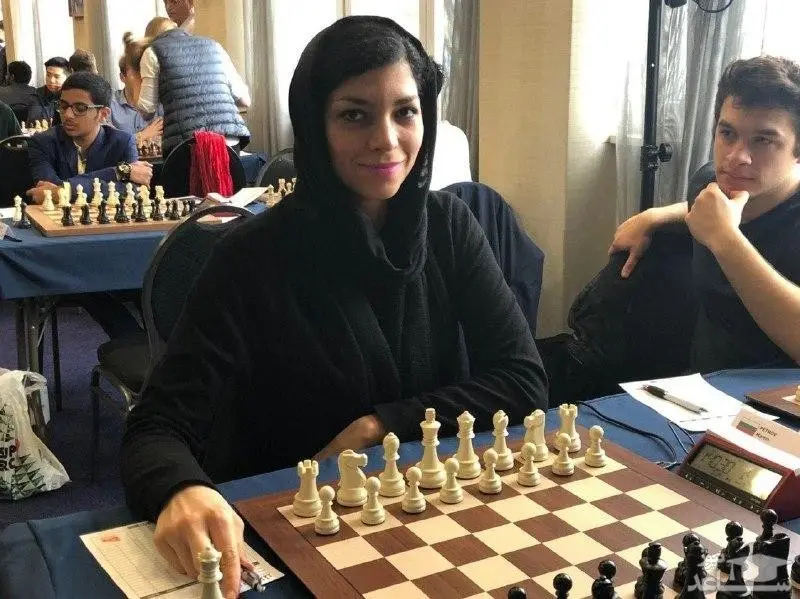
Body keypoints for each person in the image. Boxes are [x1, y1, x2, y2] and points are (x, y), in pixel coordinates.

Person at [121, 16, 547, 599]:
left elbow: (522, 379)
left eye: (405, 112)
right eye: (354, 115)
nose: (386, 139)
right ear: (314, 123)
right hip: (300, 537)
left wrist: (380, 425)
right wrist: (180, 490)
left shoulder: (450, 227)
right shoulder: (252, 256)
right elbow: (156, 427)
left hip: (437, 518)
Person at [610, 55, 800, 372]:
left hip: (775, 399)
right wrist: (653, 216)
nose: (737, 157)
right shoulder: (708, 185)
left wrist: (725, 239)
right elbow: (701, 210)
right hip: (697, 389)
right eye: (727, 133)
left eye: (763, 140)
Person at [27, 71, 152, 204]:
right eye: (63, 106)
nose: (68, 115)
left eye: (80, 108)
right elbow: (46, 192)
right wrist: (118, 172)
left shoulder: (122, 142)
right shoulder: (42, 142)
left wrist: (65, 191)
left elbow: (132, 190)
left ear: (103, 114)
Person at [136, 22, 250, 156]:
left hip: (187, 145)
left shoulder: (152, 51)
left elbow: (147, 109)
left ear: (150, 38)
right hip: (228, 140)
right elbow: (245, 101)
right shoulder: (213, 45)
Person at [109, 34, 163, 143]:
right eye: (137, 75)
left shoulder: (161, 103)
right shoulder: (111, 104)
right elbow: (109, 144)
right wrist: (142, 136)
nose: (144, 80)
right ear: (122, 77)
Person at [28, 56, 70, 124]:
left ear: (67, 78)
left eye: (57, 77)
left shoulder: (72, 96)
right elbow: (34, 120)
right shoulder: (37, 95)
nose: (51, 80)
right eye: (48, 75)